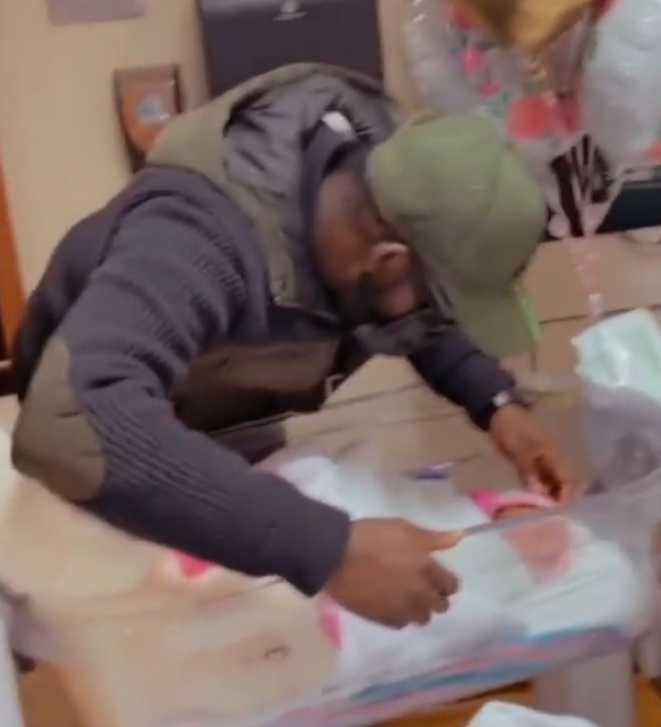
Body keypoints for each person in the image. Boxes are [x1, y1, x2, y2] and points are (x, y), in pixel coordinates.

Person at [11, 64, 577, 630]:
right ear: (385, 261)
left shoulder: (383, 186)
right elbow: (73, 424)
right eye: (441, 305)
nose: (438, 322)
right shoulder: (194, 242)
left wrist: (496, 404)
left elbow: (414, 314)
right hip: (105, 463)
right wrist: (326, 547)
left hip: (225, 428)